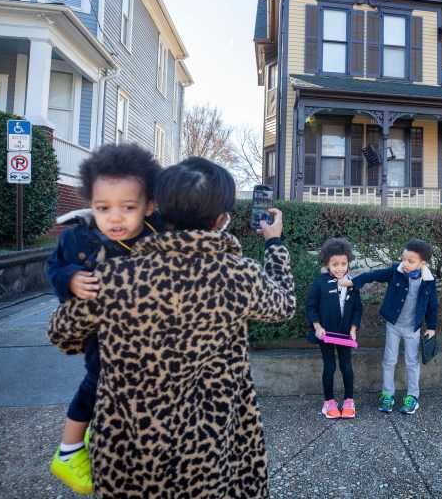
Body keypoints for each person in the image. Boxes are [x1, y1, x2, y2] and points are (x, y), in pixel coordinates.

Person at [48, 157, 296, 498]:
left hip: (127, 454)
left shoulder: (115, 276)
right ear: (221, 218)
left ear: (157, 208)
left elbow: (62, 335)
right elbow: (284, 305)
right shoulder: (241, 276)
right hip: (210, 452)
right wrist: (274, 243)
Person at [46, 143, 162, 495]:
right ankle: (68, 450)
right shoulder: (79, 236)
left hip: (146, 337)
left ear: (149, 206)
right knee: (96, 383)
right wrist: (69, 278)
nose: (115, 217)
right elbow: (53, 267)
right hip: (103, 338)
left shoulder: (157, 235)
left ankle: (112, 435)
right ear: (91, 205)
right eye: (103, 208)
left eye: (128, 208)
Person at [340, 239, 437, 414]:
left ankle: (413, 397)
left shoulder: (428, 281)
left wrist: (432, 327)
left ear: (422, 263)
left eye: (411, 261)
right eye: (404, 259)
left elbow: (432, 304)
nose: (405, 264)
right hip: (393, 325)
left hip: (413, 329)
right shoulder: (395, 271)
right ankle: (387, 394)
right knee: (389, 360)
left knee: (412, 362)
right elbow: (374, 275)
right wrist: (354, 282)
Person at [306, 238, 363, 419]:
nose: (340, 268)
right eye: (335, 264)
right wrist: (317, 327)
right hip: (326, 335)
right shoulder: (320, 282)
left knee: (346, 366)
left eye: (343, 264)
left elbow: (357, 308)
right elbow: (311, 307)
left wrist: (354, 328)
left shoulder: (352, 283)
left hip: (345, 335)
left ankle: (349, 401)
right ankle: (329, 401)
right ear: (327, 264)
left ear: (348, 263)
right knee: (329, 367)